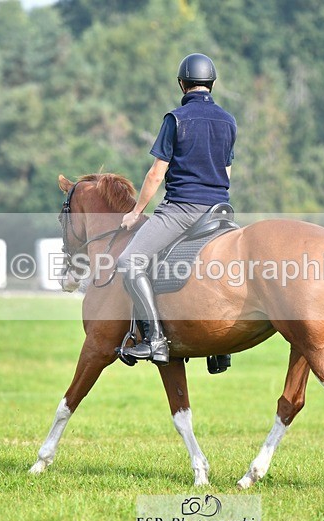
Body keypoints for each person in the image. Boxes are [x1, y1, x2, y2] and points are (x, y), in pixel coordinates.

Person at [116, 53, 237, 365]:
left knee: (129, 262)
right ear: (211, 84)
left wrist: (136, 211)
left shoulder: (175, 119)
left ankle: (154, 340)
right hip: (220, 211)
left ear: (183, 84)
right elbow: (226, 173)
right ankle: (219, 348)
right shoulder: (228, 120)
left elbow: (156, 173)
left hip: (183, 209)